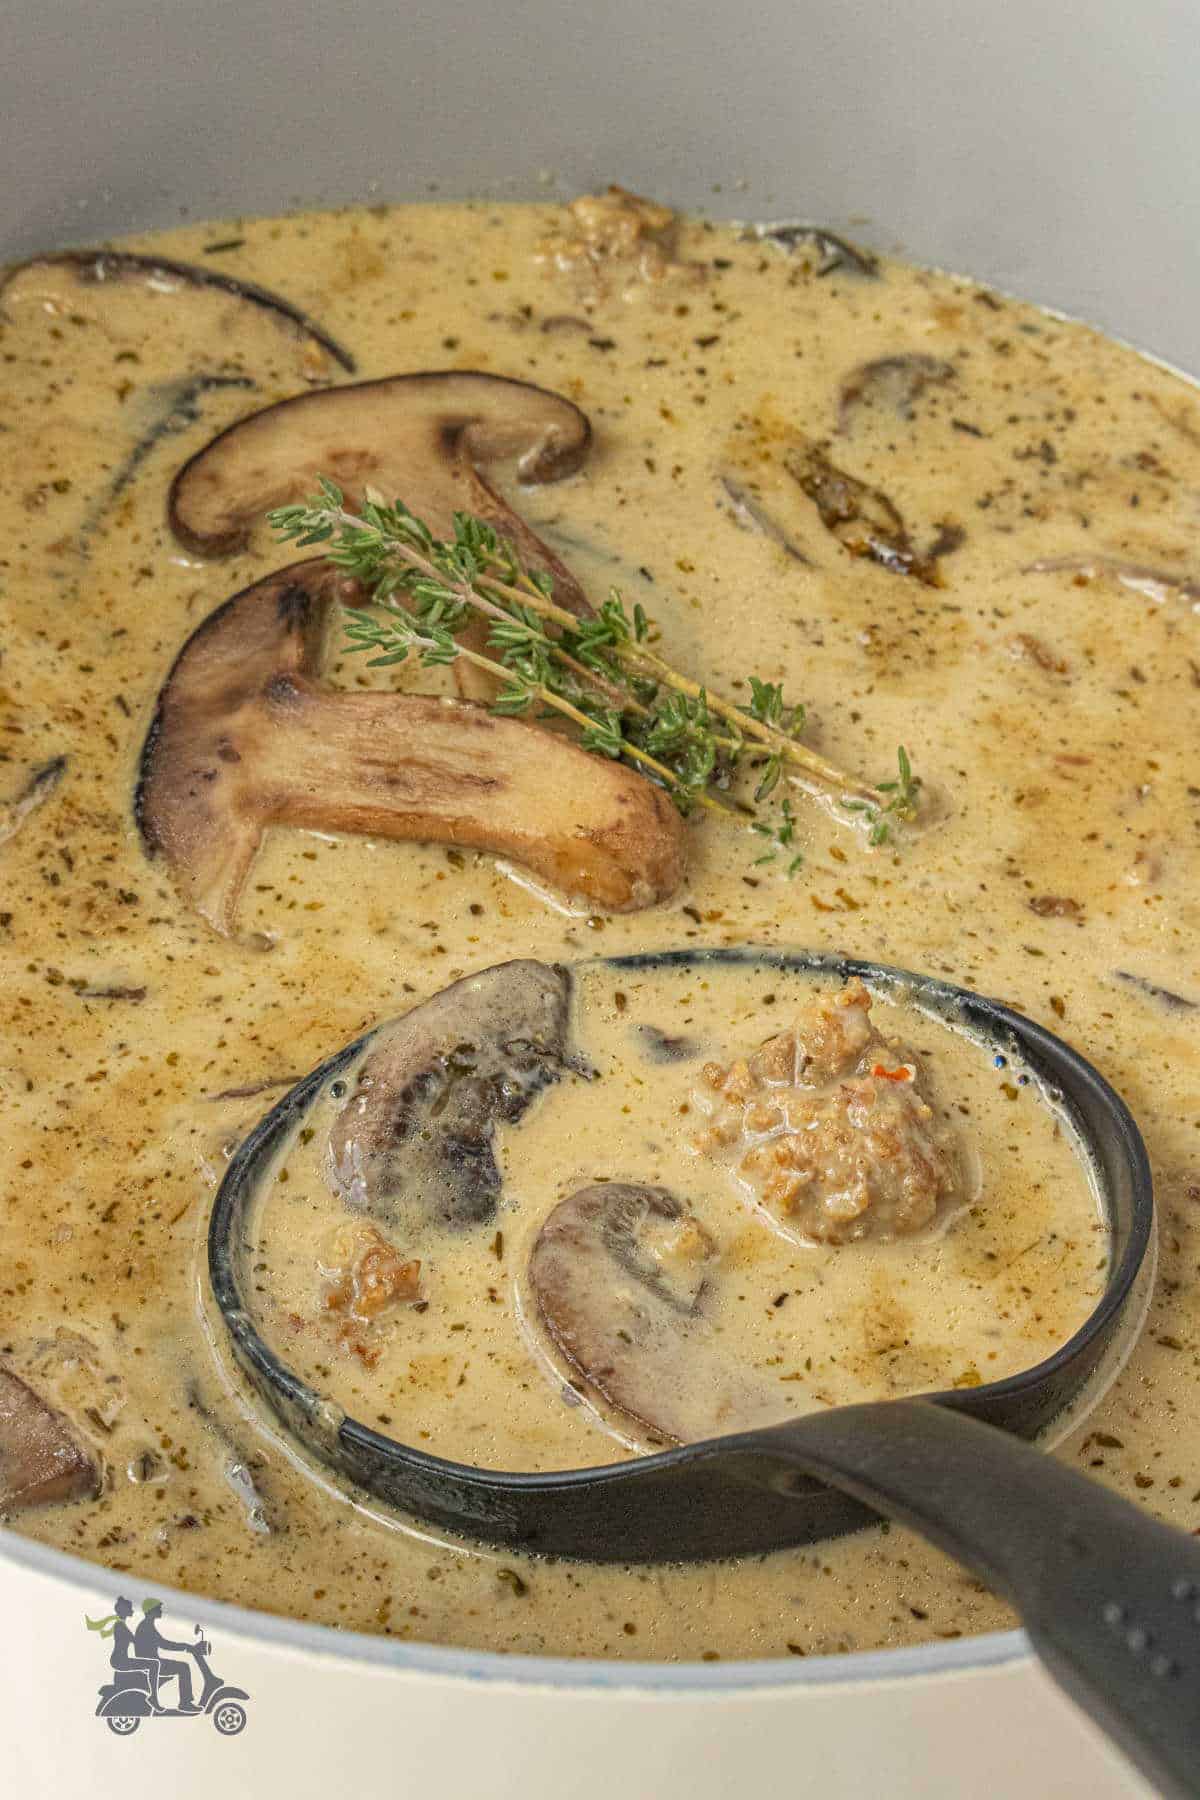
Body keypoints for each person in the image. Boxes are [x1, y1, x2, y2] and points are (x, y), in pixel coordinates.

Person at [133, 1598, 198, 1712]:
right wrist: (185, 1647)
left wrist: (185, 1646)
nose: (161, 1611)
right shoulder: (146, 1627)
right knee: (183, 1667)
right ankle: (185, 1703)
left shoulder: (147, 1625)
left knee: (182, 1666)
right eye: (158, 1609)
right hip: (151, 1663)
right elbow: (165, 1644)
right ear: (151, 1611)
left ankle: (184, 1702)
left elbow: (163, 1643)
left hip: (152, 1661)